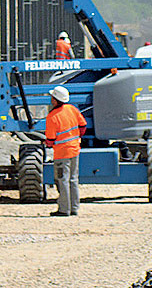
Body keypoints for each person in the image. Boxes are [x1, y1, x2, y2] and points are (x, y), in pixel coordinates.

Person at [44, 85, 87, 216]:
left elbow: (50, 139)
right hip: (75, 150)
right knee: (73, 179)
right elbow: (83, 126)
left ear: (56, 99)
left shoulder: (52, 117)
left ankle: (64, 209)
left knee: (62, 180)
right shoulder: (72, 109)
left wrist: (48, 143)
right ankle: (74, 208)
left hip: (62, 153)